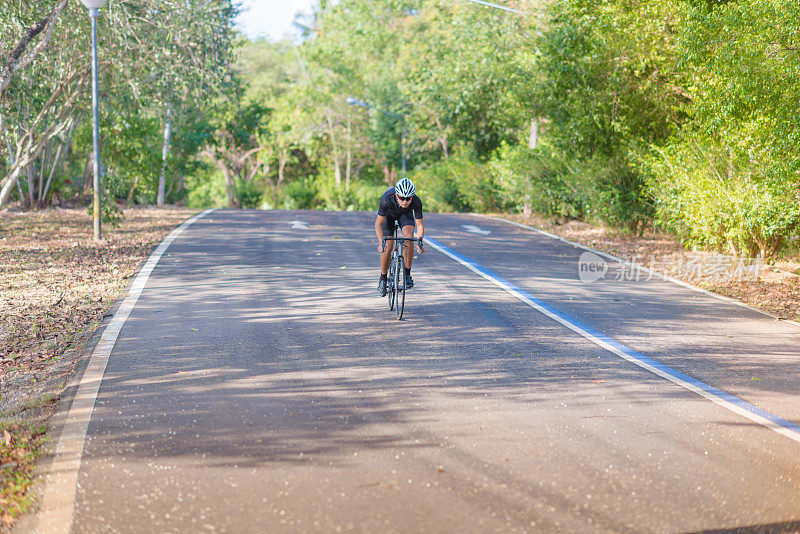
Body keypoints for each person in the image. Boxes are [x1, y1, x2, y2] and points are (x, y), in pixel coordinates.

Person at [375, 177, 424, 296]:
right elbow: (378, 223)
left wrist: (420, 242)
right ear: (397, 195)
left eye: (408, 199)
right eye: (402, 198)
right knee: (388, 245)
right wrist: (381, 242)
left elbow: (420, 224)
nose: (405, 202)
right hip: (388, 216)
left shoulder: (416, 201)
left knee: (408, 236)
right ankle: (383, 278)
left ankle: (407, 275)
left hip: (405, 215)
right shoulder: (387, 198)